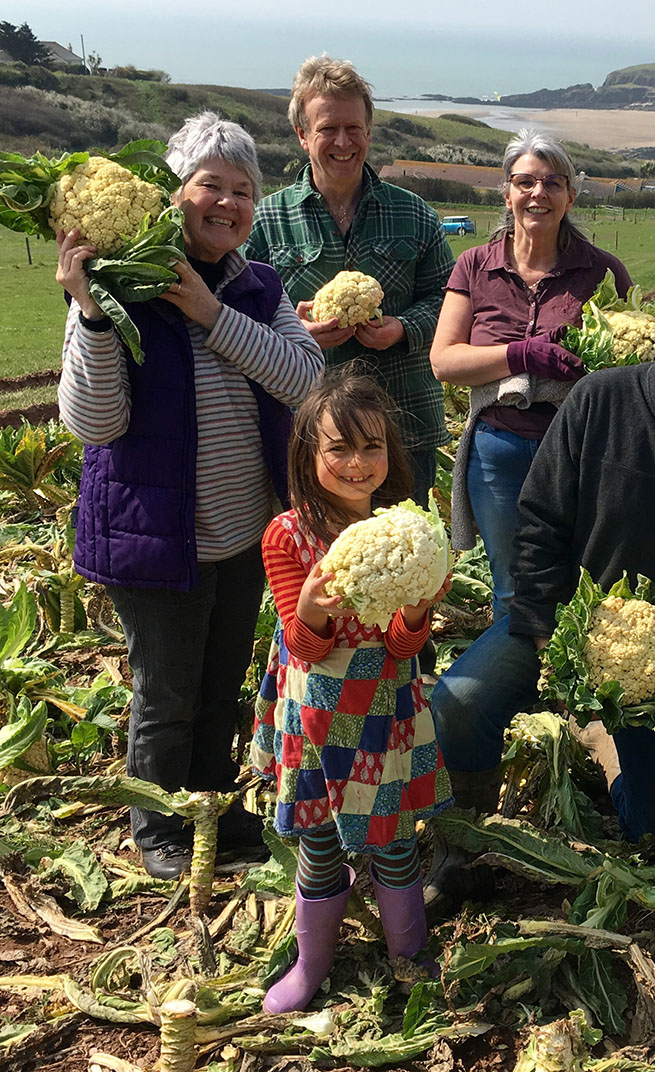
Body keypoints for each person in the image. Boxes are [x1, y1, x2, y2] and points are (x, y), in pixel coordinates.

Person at [430, 266, 655, 841]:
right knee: (458, 705)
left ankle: (607, 749)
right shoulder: (600, 400)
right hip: (568, 622)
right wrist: (548, 630)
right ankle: (468, 831)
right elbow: (540, 519)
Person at [55, 112, 324, 880]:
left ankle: (211, 804)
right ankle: (160, 828)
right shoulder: (119, 288)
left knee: (218, 685)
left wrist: (210, 315)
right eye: (211, 183)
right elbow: (96, 421)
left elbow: (306, 381)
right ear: (172, 194)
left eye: (244, 190)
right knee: (166, 693)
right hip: (154, 533)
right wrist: (93, 312)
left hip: (244, 531)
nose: (229, 202)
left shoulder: (256, 285)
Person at [251, 368, 453, 1013]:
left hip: (383, 704)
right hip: (314, 712)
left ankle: (408, 953)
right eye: (339, 448)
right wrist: (310, 606)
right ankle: (313, 965)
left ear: (391, 455)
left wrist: (418, 610)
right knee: (318, 841)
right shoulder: (288, 536)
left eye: (373, 447)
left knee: (392, 837)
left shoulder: (412, 532)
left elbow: (400, 648)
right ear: (309, 457)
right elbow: (306, 650)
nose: (358, 463)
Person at [430, 130, 631, 617]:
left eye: (552, 182)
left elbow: (633, 365)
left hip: (579, 453)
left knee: (580, 578)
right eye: (525, 182)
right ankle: (518, 689)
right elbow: (445, 361)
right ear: (507, 192)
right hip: (498, 451)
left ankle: (565, 685)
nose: (538, 193)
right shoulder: (474, 266)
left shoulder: (602, 272)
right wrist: (521, 356)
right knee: (511, 586)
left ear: (570, 195)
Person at [244, 54, 454, 500]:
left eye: (354, 128)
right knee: (316, 567)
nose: (343, 141)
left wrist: (402, 328)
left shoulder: (415, 214)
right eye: (327, 129)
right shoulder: (264, 222)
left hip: (402, 433)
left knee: (403, 559)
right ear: (303, 135)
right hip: (310, 440)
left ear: (369, 132)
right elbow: (236, 317)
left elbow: (449, 298)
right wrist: (293, 332)